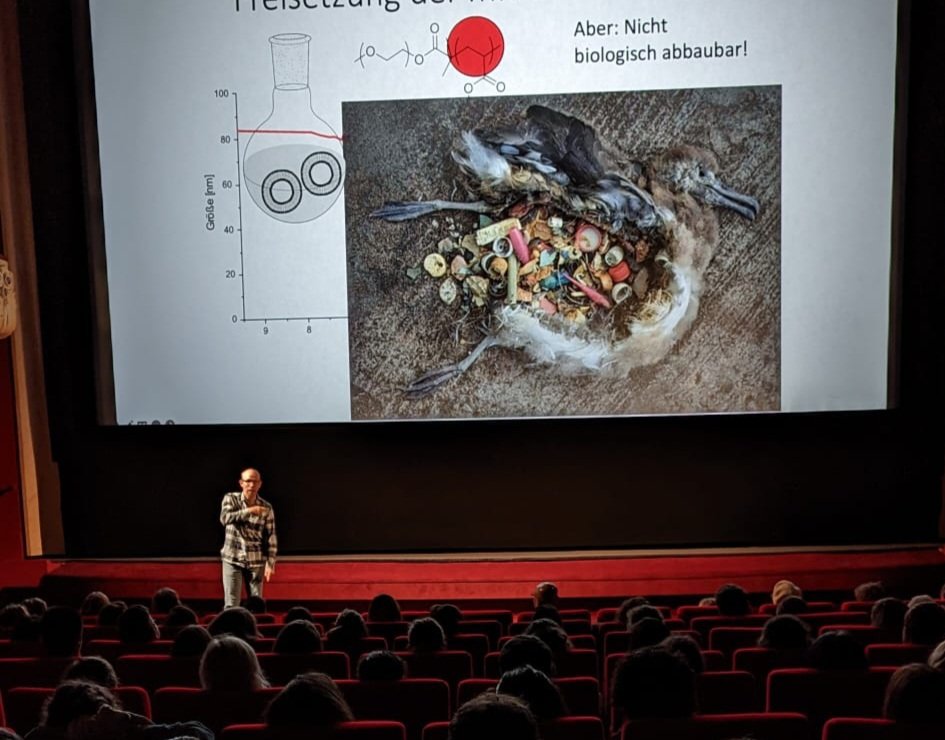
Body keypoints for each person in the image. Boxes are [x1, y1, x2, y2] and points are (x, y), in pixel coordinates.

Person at [220, 467, 278, 608]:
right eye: (248, 481)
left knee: (256, 604)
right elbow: (225, 518)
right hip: (232, 558)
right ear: (241, 483)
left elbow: (271, 535)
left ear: (260, 484)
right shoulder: (231, 499)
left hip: (255, 561)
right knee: (232, 604)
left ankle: (255, 629)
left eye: (255, 482)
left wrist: (271, 561)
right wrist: (249, 511)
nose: (251, 485)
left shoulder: (266, 507)